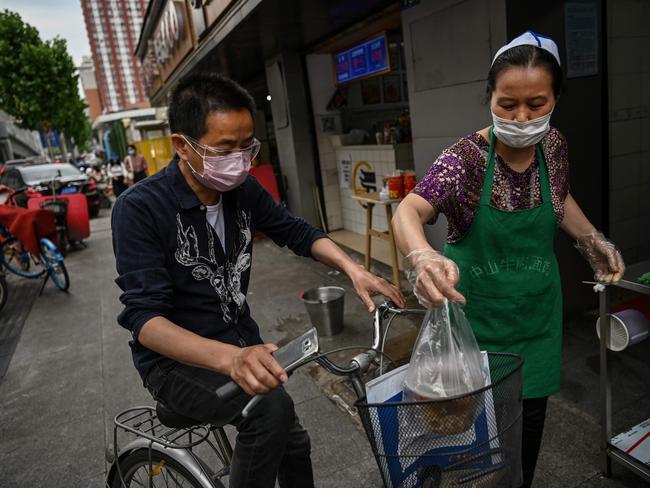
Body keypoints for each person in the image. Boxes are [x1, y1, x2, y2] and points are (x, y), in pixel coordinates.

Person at [112, 72, 404, 488]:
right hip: (175, 365)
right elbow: (146, 321)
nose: (239, 160)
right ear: (183, 145)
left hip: (242, 343)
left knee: (294, 443)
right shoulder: (139, 208)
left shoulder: (243, 191)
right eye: (224, 148)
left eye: (247, 146)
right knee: (269, 413)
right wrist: (230, 359)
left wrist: (355, 269)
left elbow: (298, 232)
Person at [392, 31, 625, 488]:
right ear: (490, 98)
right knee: (474, 436)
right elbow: (409, 209)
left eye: (536, 104)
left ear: (556, 99)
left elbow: (556, 197)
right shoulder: (465, 160)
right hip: (476, 326)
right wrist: (421, 255)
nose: (521, 117)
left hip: (536, 315)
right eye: (507, 104)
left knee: (529, 423)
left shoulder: (553, 147)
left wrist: (590, 237)